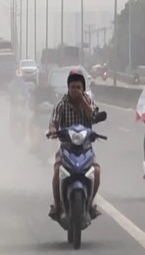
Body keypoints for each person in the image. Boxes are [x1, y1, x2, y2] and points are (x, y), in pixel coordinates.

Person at [47, 68, 101, 220]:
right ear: (68, 88)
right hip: (67, 148)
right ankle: (57, 206)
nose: (75, 91)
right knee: (57, 171)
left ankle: (89, 205)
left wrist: (83, 103)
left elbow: (95, 115)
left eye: (79, 87)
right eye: (73, 88)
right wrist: (53, 131)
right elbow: (54, 122)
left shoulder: (88, 101)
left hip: (85, 148)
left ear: (83, 88)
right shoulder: (61, 104)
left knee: (96, 171)